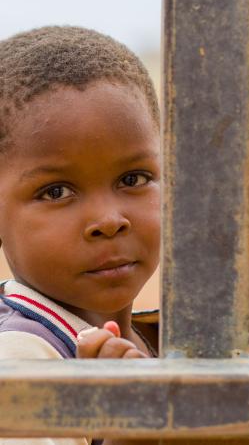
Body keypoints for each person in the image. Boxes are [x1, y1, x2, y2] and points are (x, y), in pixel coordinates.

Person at [0, 26, 161, 444]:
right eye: (56, 191)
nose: (109, 220)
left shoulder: (162, 339)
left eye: (134, 177)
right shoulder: (22, 360)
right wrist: (128, 433)